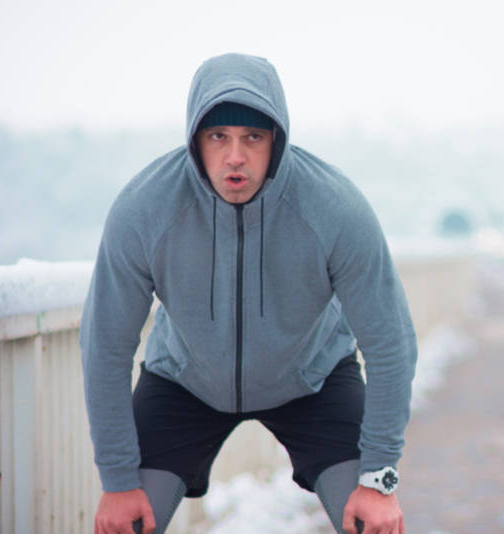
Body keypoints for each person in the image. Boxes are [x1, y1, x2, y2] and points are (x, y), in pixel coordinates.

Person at [80, 53, 417, 534]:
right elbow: (104, 346)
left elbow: (391, 343)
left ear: (276, 141)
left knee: (373, 525)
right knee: (126, 523)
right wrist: (116, 481)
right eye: (218, 137)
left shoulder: (335, 209)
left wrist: (379, 479)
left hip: (312, 380)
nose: (235, 156)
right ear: (196, 140)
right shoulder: (145, 209)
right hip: (184, 382)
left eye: (252, 138)